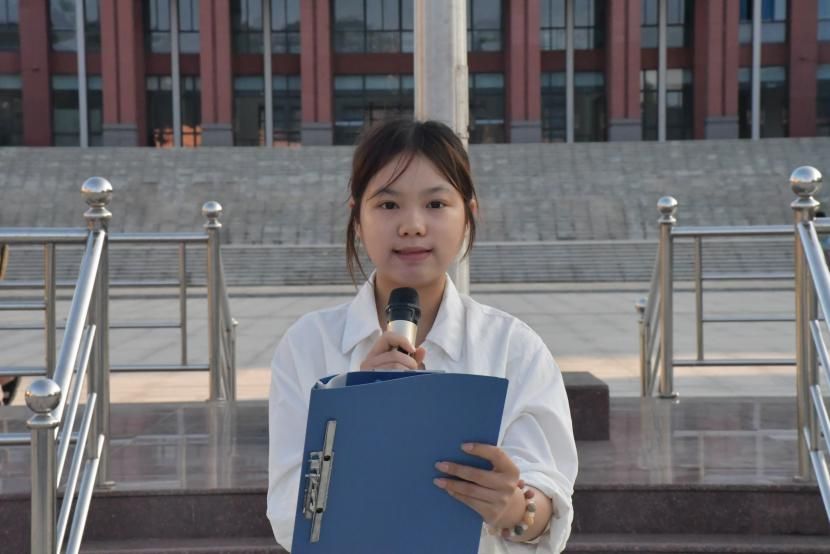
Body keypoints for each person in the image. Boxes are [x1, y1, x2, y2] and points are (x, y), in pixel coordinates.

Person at [267, 119, 578, 553]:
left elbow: (548, 496)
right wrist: (358, 415)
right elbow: (288, 514)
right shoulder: (307, 345)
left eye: (435, 203)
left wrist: (512, 509)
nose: (412, 225)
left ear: (468, 214)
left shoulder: (514, 348)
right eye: (388, 204)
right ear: (357, 218)